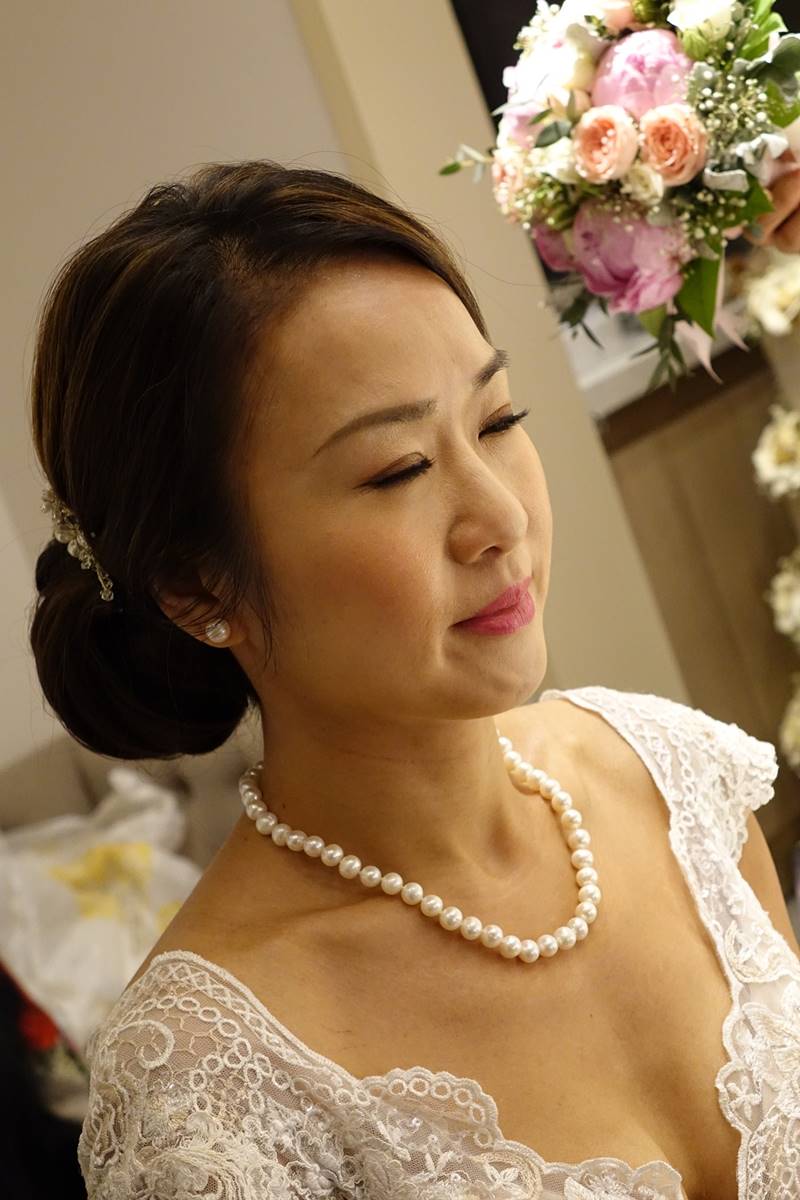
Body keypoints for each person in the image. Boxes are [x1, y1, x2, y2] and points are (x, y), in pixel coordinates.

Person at [28, 160, 800, 1200]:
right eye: (397, 471)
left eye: (497, 421)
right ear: (196, 584)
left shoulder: (672, 778)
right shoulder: (209, 1091)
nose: (501, 518)